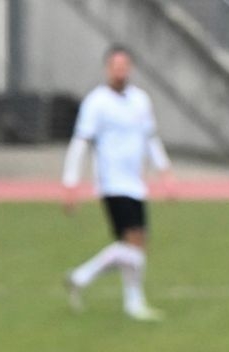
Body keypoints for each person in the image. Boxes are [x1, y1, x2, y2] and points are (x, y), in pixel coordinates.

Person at [61, 45, 173, 322]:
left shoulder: (140, 100)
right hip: (112, 182)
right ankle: (121, 295)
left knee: (135, 246)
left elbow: (150, 138)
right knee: (133, 242)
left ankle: (86, 280)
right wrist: (71, 182)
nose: (120, 71)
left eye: (124, 66)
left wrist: (164, 170)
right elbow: (81, 142)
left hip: (135, 182)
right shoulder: (96, 102)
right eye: (115, 66)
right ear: (107, 69)